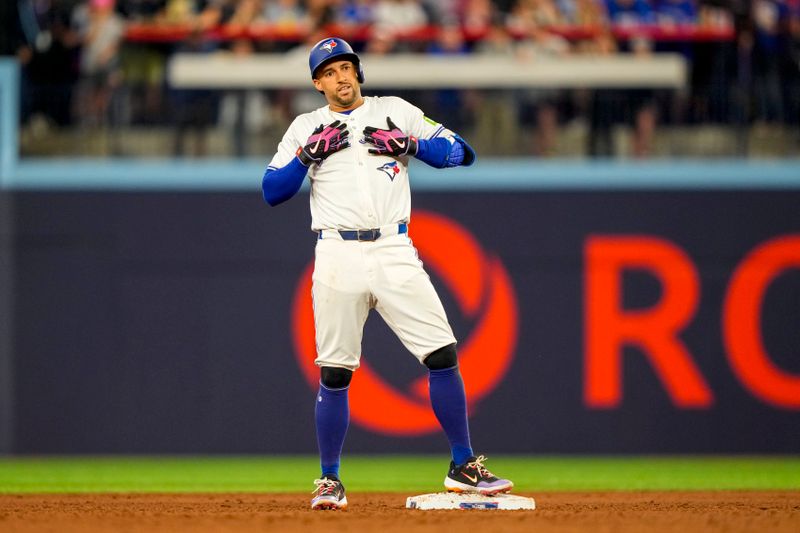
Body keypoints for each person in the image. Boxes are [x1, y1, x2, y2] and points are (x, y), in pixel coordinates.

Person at [261, 37, 514, 510]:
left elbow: (463, 153)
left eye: (347, 67)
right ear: (317, 82)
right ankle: (329, 480)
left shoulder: (394, 110)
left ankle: (462, 465)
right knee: (335, 371)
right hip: (338, 251)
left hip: (395, 246)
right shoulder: (306, 126)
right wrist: (305, 157)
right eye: (330, 71)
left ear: (359, 72)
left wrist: (411, 144)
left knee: (442, 353)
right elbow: (271, 191)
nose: (341, 77)